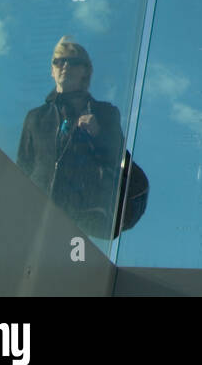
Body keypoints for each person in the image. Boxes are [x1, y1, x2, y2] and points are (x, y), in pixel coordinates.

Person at [17, 37, 126, 237]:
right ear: (52, 70)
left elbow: (119, 160)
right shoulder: (35, 117)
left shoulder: (105, 113)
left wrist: (98, 133)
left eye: (73, 62)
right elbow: (22, 167)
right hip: (36, 215)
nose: (65, 65)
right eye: (59, 61)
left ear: (85, 71)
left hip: (83, 220)